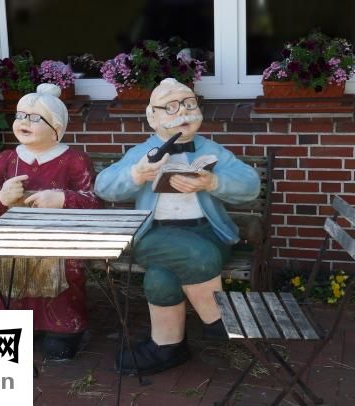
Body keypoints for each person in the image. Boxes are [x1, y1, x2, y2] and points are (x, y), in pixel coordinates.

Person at [94, 78, 260, 375]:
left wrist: (214, 182)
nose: (182, 111)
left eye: (188, 104)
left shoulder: (211, 149)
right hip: (154, 235)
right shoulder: (142, 153)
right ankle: (219, 321)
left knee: (160, 278)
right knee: (197, 255)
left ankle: (168, 347)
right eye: (170, 107)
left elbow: (250, 184)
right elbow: (103, 186)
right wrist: (137, 175)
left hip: (207, 231)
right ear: (152, 117)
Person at [0, 83, 102, 360]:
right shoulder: (7, 159)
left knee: (63, 265)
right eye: (20, 115)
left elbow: (93, 201)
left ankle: (62, 328)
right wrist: (2, 198)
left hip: (61, 233)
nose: (24, 122)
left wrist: (62, 199)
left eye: (35, 118)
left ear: (56, 127)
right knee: (4, 259)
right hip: (15, 232)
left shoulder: (75, 159)